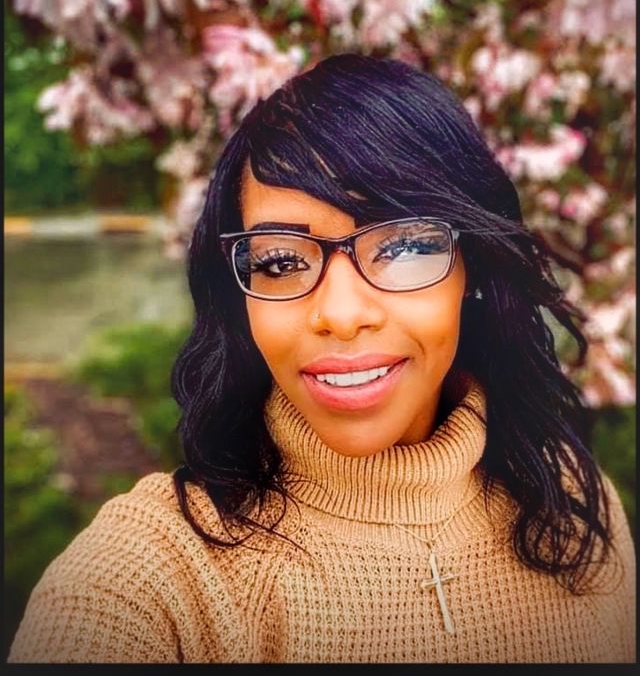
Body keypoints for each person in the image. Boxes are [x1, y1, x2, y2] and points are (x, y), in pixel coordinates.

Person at [9, 54, 635, 664]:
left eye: (402, 247)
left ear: (472, 268)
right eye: (281, 260)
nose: (339, 313)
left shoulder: (575, 507)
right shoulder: (144, 582)